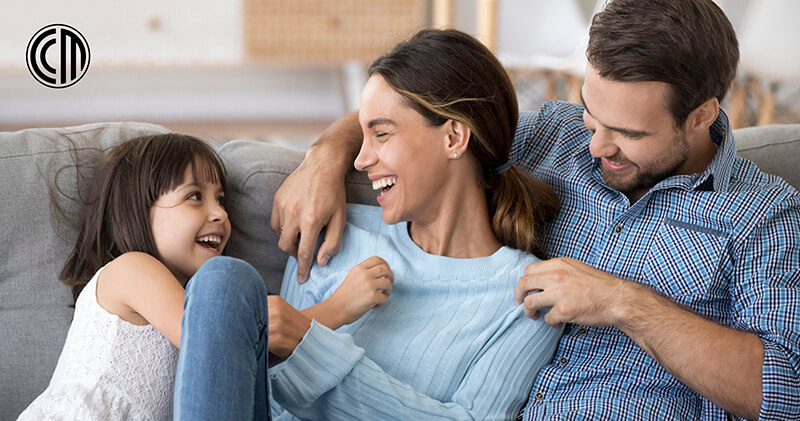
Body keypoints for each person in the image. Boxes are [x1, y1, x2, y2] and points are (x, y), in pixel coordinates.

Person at [270, 0, 800, 419]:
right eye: (593, 117)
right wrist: (324, 156)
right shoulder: (555, 135)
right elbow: (429, 110)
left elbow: (786, 392)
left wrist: (623, 303)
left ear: (702, 115)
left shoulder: (761, 216)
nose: (597, 148)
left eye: (629, 133)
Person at [174, 28, 563, 420]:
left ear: (453, 138)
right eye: (362, 136)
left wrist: (310, 344)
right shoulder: (334, 234)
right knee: (223, 281)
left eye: (381, 134)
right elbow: (268, 399)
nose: (360, 161)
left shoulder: (525, 296)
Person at [18, 133, 246, 420]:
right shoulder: (133, 269)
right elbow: (225, 340)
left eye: (221, 200)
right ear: (137, 211)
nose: (220, 214)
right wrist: (316, 317)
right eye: (194, 196)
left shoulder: (185, 297)